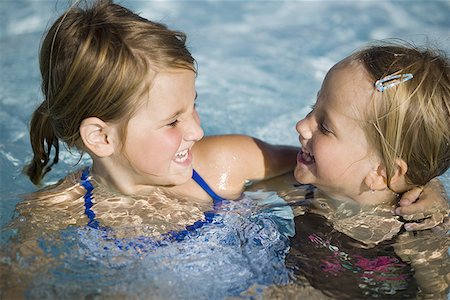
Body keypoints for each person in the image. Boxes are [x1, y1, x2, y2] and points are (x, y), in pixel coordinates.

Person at [282, 42, 449, 298]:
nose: (302, 125)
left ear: (381, 174)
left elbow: (436, 293)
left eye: (325, 126)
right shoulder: (297, 191)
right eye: (312, 109)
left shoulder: (417, 236)